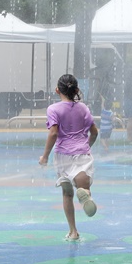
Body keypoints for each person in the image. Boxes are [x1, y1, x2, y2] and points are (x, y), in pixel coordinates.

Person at [39, 74, 99, 241]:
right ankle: (85, 193)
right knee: (84, 187)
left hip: (62, 156)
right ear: (76, 90)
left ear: (57, 90)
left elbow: (53, 133)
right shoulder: (83, 108)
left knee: (67, 194)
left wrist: (44, 156)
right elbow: (94, 132)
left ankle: (73, 231)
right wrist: (87, 146)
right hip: (81, 154)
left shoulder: (53, 109)